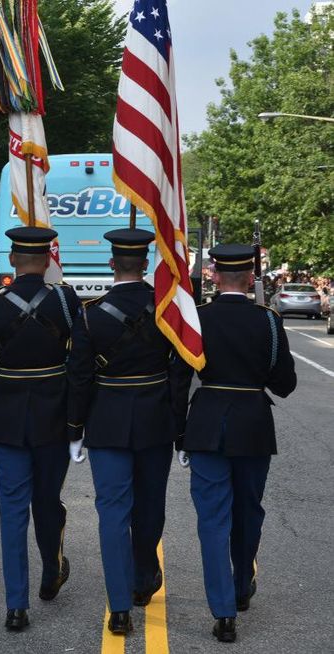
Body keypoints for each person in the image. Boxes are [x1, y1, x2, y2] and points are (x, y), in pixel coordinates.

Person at [66, 229, 192, 636]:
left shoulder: (91, 312)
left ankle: (119, 606)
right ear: (145, 265)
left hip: (107, 420)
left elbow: (80, 376)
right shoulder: (165, 309)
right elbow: (179, 370)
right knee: (150, 505)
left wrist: (75, 427)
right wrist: (178, 423)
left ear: (111, 264)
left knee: (113, 512)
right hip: (155, 417)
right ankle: (142, 579)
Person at [181, 244, 297, 643]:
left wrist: (181, 433)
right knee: (248, 511)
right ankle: (242, 582)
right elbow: (285, 384)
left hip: (207, 424)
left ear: (214, 276)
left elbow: (182, 378)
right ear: (250, 278)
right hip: (252, 424)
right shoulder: (267, 320)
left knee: (213, 520)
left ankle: (224, 610)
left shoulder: (198, 318)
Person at [0, 227, 80, 631]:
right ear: (48, 260)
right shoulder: (67, 300)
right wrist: (78, 420)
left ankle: (16, 605)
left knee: (12, 510)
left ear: (14, 260)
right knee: (48, 499)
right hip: (54, 414)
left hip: (5, 416)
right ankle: (52, 569)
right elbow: (80, 363)